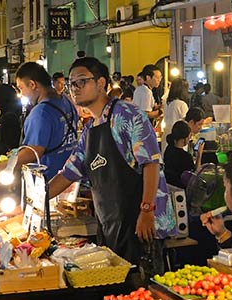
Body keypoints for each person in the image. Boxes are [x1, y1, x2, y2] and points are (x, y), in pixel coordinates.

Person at [47, 57, 176, 285]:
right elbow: (69, 173)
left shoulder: (127, 114)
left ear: (100, 83)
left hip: (140, 224)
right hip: (111, 224)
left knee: (142, 288)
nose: (74, 88)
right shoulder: (90, 129)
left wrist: (147, 210)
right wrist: (36, 198)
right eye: (71, 84)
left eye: (81, 82)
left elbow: (151, 163)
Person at [10, 62, 79, 179]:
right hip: (70, 177)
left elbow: (33, 153)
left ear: (32, 84)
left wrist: (1, 167)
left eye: (21, 88)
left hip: (47, 182)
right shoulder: (67, 102)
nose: (22, 94)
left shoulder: (40, 113)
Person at [163, 121, 196, 188]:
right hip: (182, 189)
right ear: (185, 138)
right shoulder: (186, 157)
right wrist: (199, 155)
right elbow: (194, 175)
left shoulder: (168, 149)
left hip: (170, 187)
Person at [163, 78, 190, 143]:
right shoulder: (181, 104)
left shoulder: (167, 103)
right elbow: (187, 121)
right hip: (178, 138)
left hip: (166, 135)